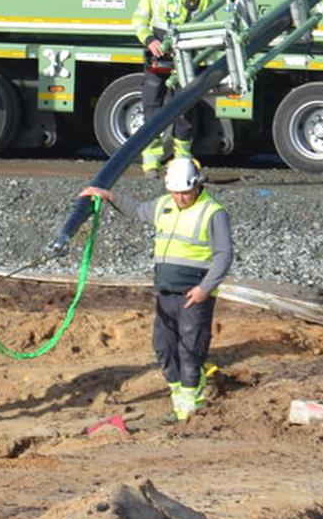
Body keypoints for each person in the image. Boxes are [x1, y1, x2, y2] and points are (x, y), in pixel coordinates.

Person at [78, 156, 233, 422]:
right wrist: (107, 196)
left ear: (197, 185)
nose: (180, 198)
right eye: (175, 193)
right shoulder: (164, 205)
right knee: (163, 347)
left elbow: (224, 255)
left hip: (194, 295)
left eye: (185, 193)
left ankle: (189, 410)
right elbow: (138, 210)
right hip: (166, 292)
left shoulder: (212, 212)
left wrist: (204, 289)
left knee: (190, 350)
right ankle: (180, 398)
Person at [131, 0, 206, 173]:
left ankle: (182, 160)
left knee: (184, 111)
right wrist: (150, 40)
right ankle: (151, 161)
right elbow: (139, 19)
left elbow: (206, 28)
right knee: (151, 106)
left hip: (184, 57)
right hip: (158, 54)